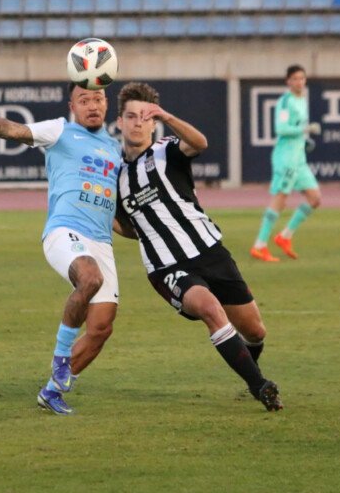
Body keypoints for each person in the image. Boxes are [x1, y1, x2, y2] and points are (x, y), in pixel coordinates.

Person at [0, 82, 121, 416]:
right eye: (84, 100)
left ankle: (52, 392)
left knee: (101, 328)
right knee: (90, 278)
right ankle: (61, 358)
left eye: (97, 99)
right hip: (64, 231)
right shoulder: (60, 130)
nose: (92, 105)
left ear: (106, 103)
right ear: (72, 106)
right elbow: (13, 129)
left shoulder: (114, 149)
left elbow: (115, 211)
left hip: (101, 241)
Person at [114, 81, 283, 412]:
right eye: (130, 116)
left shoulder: (166, 151)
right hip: (167, 267)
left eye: (145, 117)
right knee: (209, 309)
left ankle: (250, 370)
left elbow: (200, 142)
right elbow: (129, 227)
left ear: (153, 123)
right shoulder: (116, 177)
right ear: (119, 121)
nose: (137, 123)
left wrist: (167, 115)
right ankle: (259, 386)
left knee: (255, 330)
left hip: (209, 250)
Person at [251, 64, 322, 262]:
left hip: (299, 158)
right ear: (288, 81)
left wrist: (305, 140)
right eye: (295, 79)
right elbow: (281, 129)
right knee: (281, 199)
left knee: (315, 198)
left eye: (302, 78)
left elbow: (297, 129)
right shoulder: (285, 101)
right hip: (286, 158)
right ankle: (259, 245)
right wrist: (305, 130)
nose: (299, 82)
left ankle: (284, 236)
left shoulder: (302, 100)